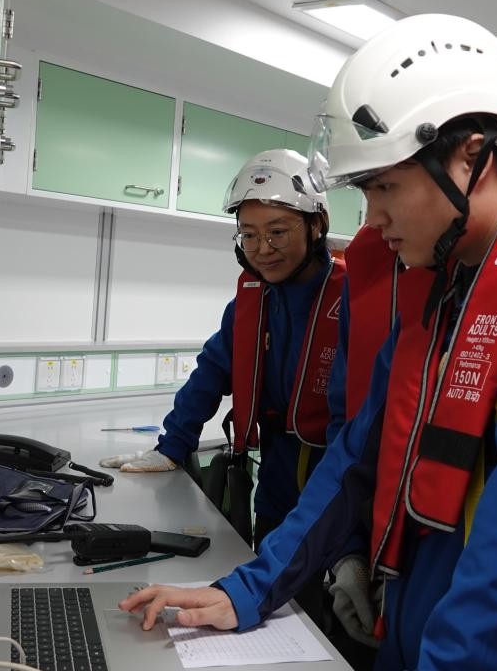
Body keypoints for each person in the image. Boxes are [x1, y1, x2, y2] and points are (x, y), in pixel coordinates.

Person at [120, 13, 497, 670]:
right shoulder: (446, 287)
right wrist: (247, 589)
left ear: (470, 156)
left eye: (386, 187)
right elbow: (356, 457)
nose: (374, 219)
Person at [100, 148, 345, 560]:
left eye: (278, 232)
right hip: (276, 476)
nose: (262, 248)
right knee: (271, 572)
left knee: (326, 587)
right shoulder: (252, 300)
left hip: (336, 480)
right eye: (248, 235)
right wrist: (172, 445)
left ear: (316, 225)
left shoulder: (353, 299)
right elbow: (211, 371)